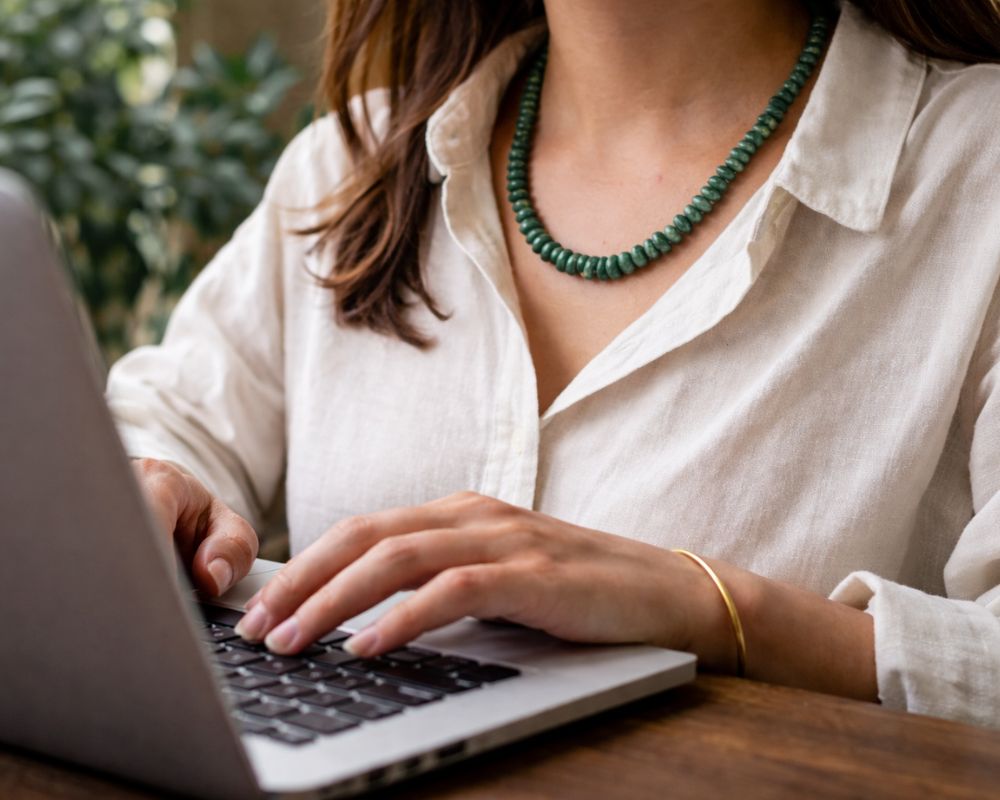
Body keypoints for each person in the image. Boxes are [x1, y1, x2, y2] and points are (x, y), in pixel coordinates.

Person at [106, 0, 1000, 728]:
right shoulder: (352, 162)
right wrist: (157, 486)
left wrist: (719, 610)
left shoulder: (976, 170)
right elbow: (166, 423)